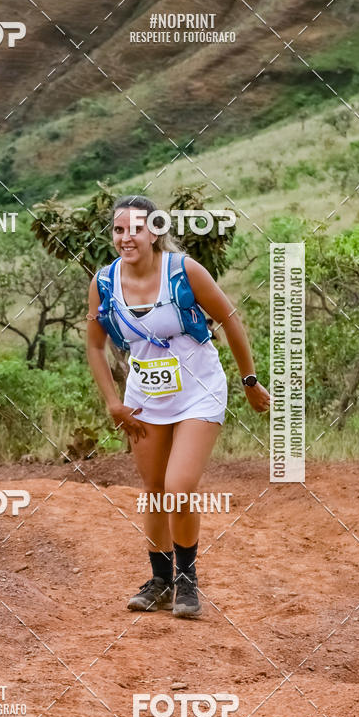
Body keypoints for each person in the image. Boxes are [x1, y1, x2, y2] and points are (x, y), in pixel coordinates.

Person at [86, 195, 270, 618]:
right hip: (145, 397)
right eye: (118, 229)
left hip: (198, 391)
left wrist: (249, 381)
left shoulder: (183, 271)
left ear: (154, 232)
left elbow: (230, 318)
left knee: (178, 487)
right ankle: (160, 581)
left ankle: (187, 581)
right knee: (154, 491)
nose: (126, 237)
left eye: (136, 229)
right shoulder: (104, 283)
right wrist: (113, 403)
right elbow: (95, 346)